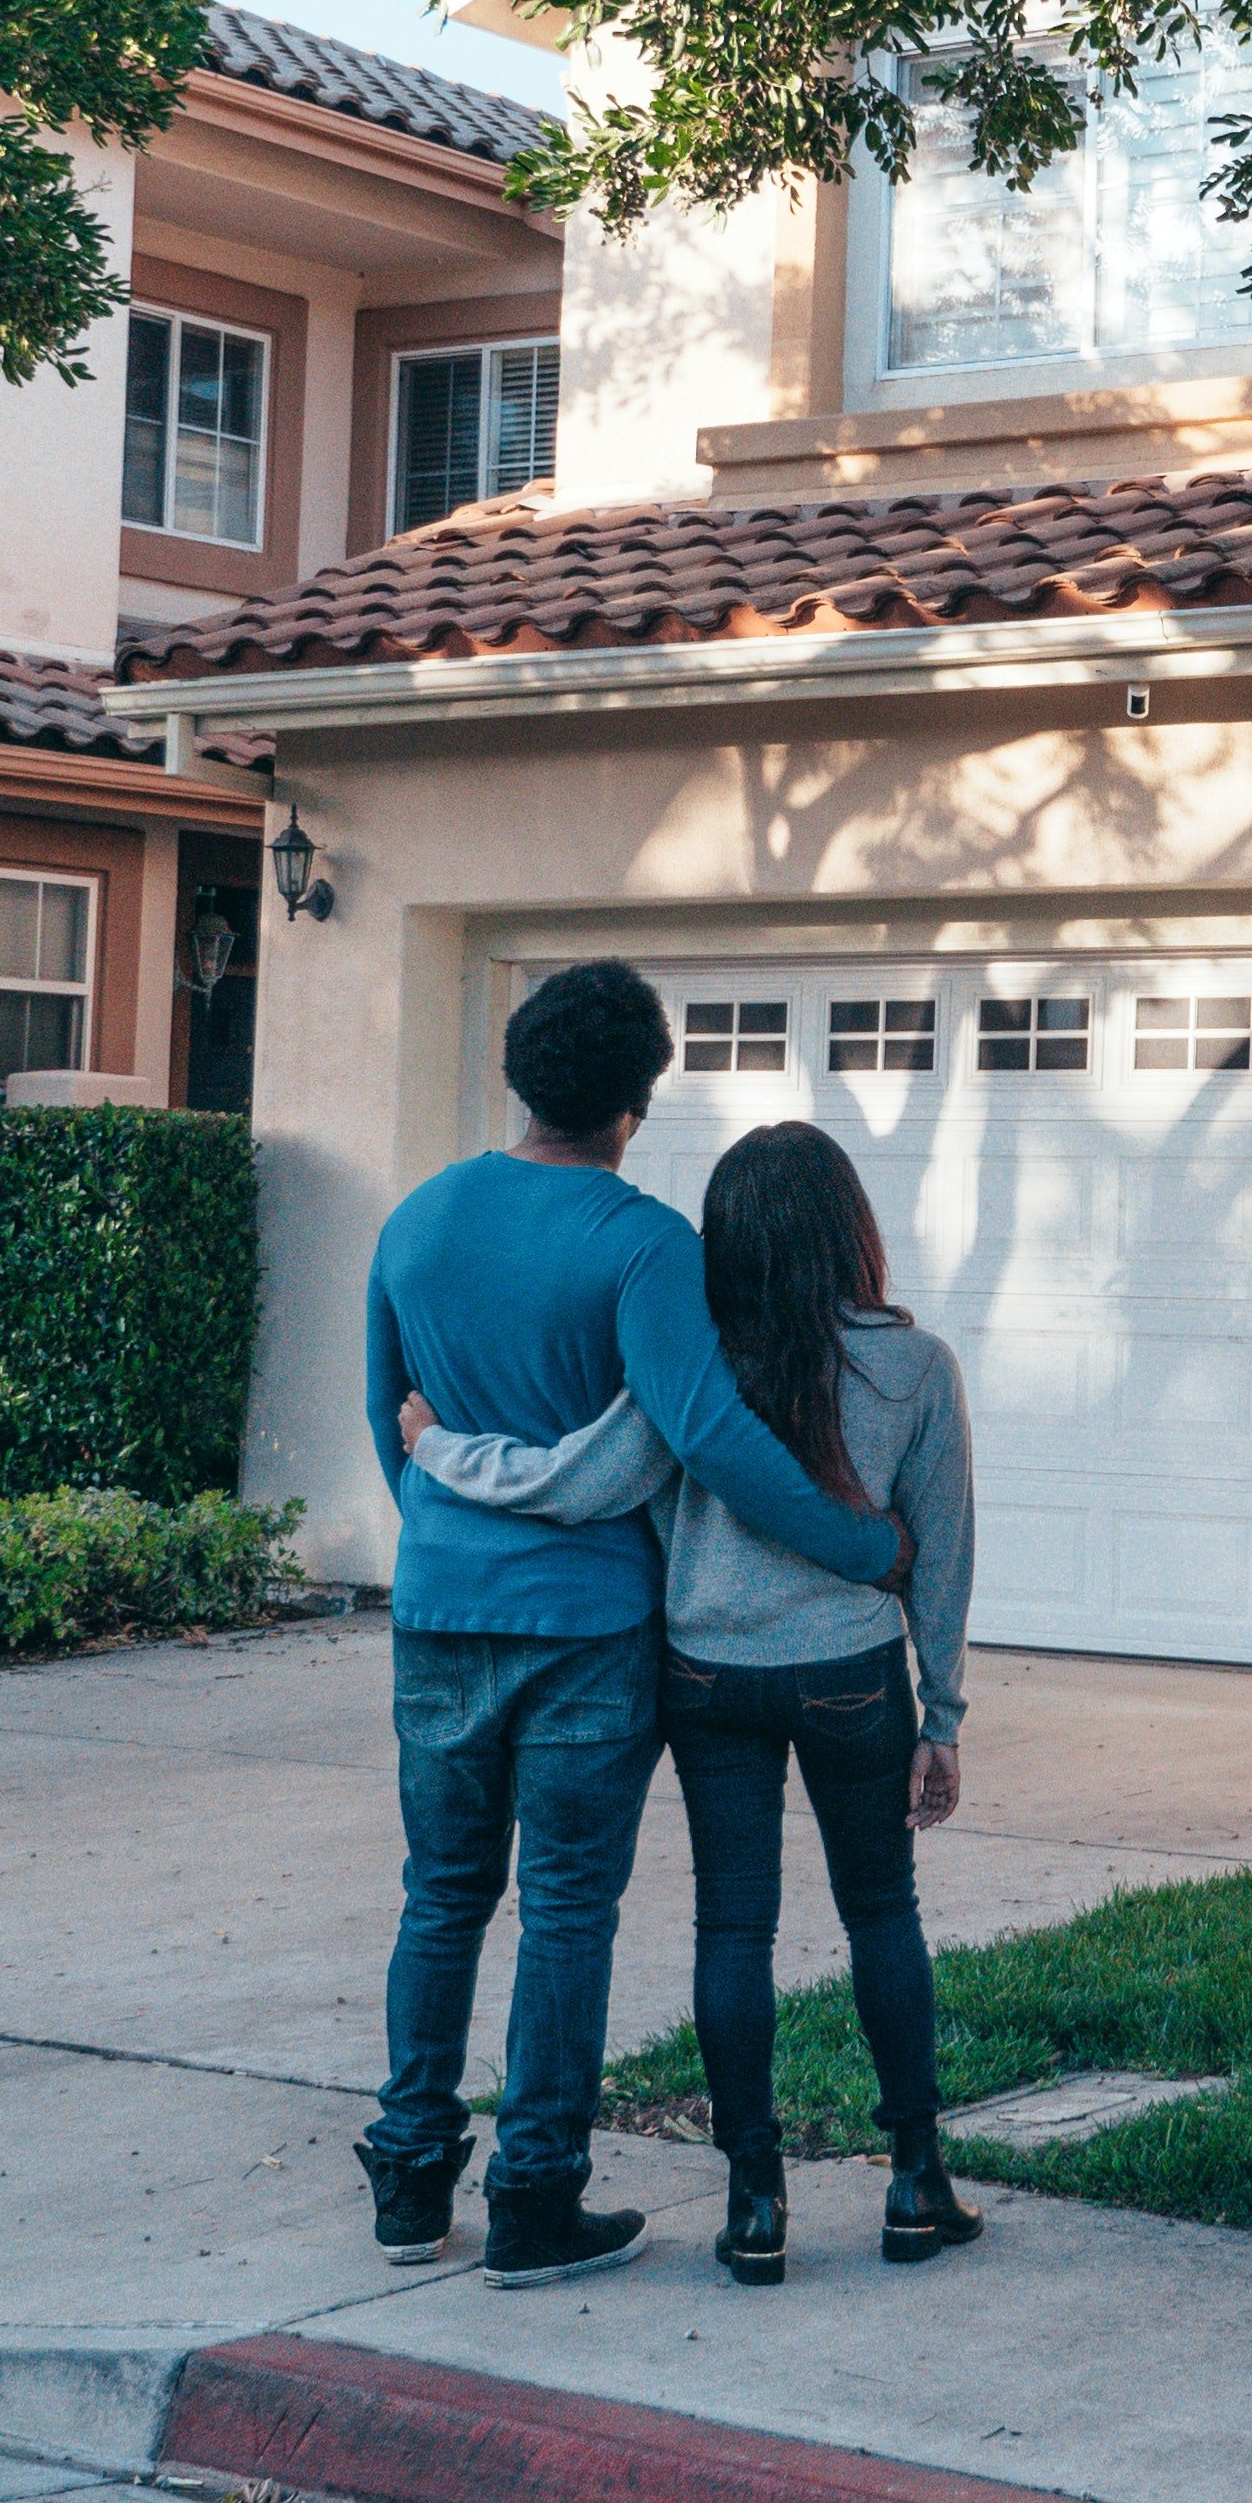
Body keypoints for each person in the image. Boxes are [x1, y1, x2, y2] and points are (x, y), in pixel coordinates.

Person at [358, 962, 907, 2291]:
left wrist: (454, 1544)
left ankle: (409, 2182)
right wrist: (862, 1545)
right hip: (590, 1629)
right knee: (564, 1913)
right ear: (636, 1101)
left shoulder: (416, 1223)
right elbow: (711, 1436)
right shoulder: (645, 1243)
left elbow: (393, 1426)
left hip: (440, 1612)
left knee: (440, 1897)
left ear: (518, 1077)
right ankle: (537, 2198)